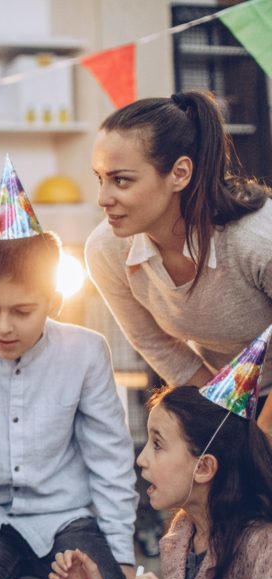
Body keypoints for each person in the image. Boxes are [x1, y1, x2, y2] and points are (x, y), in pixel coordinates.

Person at [0, 157, 138, 579]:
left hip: (67, 518)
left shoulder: (86, 352)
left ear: (53, 299)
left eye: (22, 311)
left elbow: (110, 457)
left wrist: (121, 552)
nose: (4, 327)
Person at [85, 90, 272, 431]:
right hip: (230, 391)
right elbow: (155, 344)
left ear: (180, 173)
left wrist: (262, 432)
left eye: (121, 180)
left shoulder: (258, 241)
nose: (103, 199)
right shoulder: (106, 251)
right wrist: (222, 418)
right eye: (101, 178)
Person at [50, 380, 272, 579]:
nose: (141, 459)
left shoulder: (261, 543)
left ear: (203, 468)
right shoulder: (182, 531)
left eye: (157, 445)